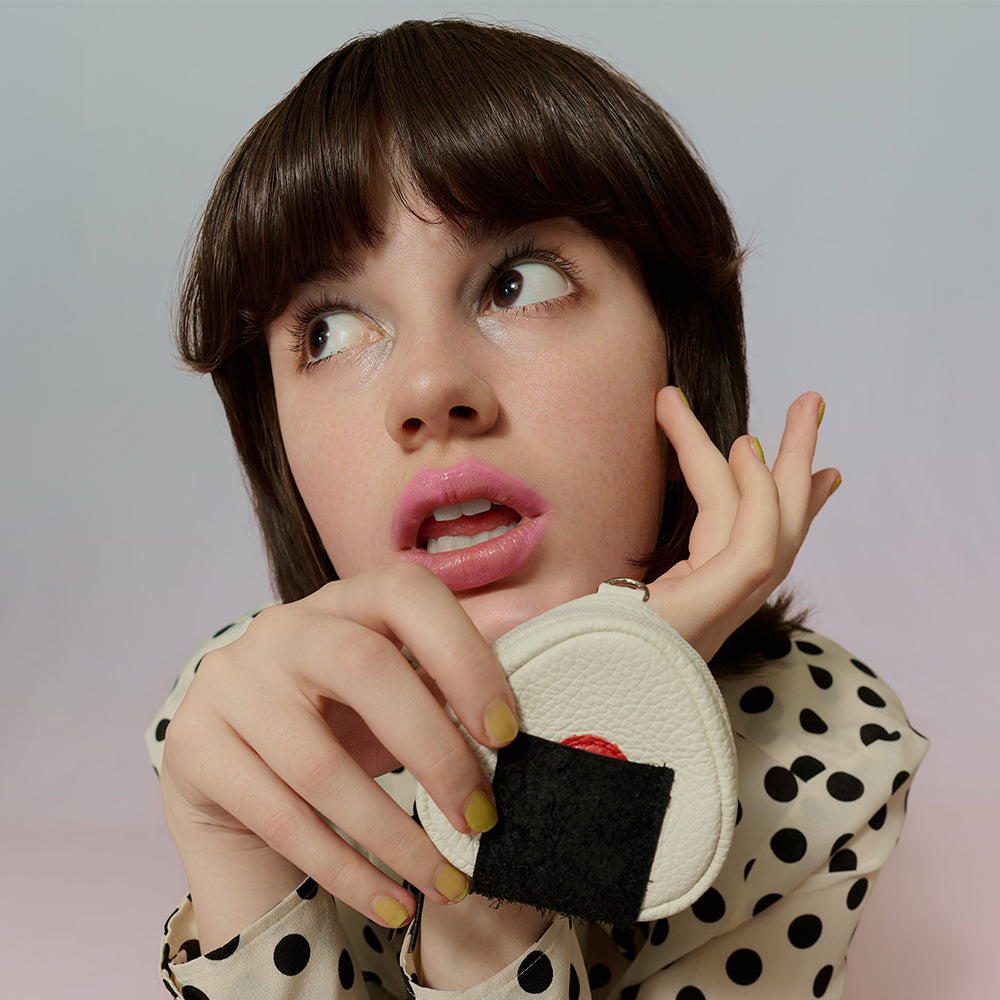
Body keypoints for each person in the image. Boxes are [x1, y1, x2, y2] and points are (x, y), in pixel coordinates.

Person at [146, 18, 927, 999]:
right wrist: (235, 860)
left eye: (518, 284)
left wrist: (524, 833)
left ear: (677, 348)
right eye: (330, 330)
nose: (429, 387)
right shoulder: (246, 716)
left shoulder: (821, 758)